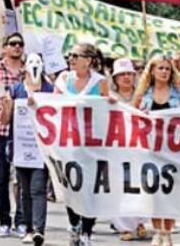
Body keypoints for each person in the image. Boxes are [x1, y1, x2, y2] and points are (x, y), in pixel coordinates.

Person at [133, 55, 180, 246]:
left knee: (171, 191)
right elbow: (131, 116)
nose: (164, 72)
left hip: (174, 150)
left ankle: (168, 230)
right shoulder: (143, 94)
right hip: (150, 150)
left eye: (167, 69)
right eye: (160, 68)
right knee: (154, 192)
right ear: (152, 71)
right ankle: (158, 230)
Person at [55, 43, 109, 246]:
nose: (71, 59)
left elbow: (106, 111)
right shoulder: (63, 80)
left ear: (89, 60)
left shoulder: (100, 82)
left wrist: (110, 103)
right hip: (67, 143)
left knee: (89, 188)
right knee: (70, 186)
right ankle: (74, 224)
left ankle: (87, 231)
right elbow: (52, 105)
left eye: (75, 56)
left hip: (91, 143)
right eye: (69, 55)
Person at [7, 53, 54, 246]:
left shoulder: (49, 89)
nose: (34, 66)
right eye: (31, 62)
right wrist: (7, 105)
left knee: (38, 189)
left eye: (37, 62)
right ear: (25, 66)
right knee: (25, 190)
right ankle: (28, 228)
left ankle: (38, 230)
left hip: (41, 148)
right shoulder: (16, 89)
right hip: (20, 146)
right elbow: (5, 120)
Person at [0, 33, 27, 238]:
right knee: (0, 178)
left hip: (23, 132)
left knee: (21, 178)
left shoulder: (29, 71)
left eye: (20, 44)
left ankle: (21, 220)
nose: (17, 47)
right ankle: (4, 220)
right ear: (4, 48)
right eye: (12, 44)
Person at [107, 57, 147, 242]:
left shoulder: (143, 95)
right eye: (121, 74)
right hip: (117, 147)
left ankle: (139, 221)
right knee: (119, 187)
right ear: (115, 78)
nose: (125, 78)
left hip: (140, 147)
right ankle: (124, 226)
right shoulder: (107, 97)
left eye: (129, 74)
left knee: (140, 185)